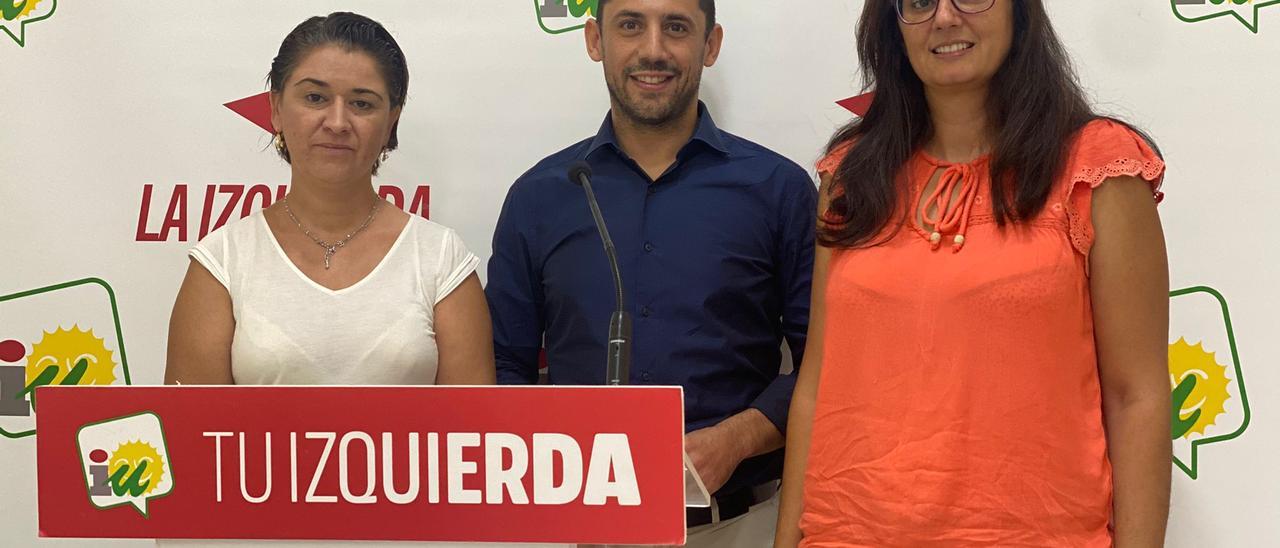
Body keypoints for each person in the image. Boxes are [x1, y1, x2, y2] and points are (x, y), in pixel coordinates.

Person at [776, 1, 1171, 546]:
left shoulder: (1096, 166)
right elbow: (816, 385)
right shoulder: (850, 173)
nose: (944, 17)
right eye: (918, 2)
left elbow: (1138, 396)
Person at [485, 0, 816, 545]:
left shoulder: (777, 190)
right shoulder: (539, 196)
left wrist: (738, 438)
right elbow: (501, 365)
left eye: (677, 28)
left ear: (710, 46)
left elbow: (827, 367)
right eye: (631, 25)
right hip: (577, 526)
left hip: (736, 526)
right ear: (595, 41)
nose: (654, 50)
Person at [165, 12, 494, 387]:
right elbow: (192, 435)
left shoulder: (440, 259)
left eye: (362, 104)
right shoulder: (223, 261)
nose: (337, 122)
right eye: (315, 97)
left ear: (390, 122)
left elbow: (471, 435)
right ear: (275, 109)